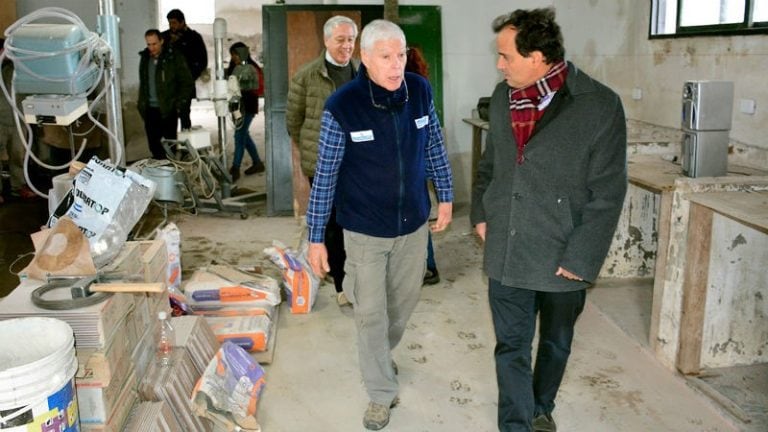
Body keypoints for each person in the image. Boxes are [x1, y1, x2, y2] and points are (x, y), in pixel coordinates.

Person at [470, 8, 627, 432]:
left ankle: (540, 406)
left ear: (538, 57)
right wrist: (482, 213)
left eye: (506, 56)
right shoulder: (503, 97)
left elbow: (608, 192)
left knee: (555, 343)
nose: (499, 65)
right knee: (512, 345)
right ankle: (517, 423)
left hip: (563, 251)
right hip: (508, 243)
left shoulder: (599, 105)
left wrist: (582, 256)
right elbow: (492, 163)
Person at [306, 19, 453, 430]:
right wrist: (316, 237)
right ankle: (380, 392)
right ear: (364, 58)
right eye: (385, 56)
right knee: (370, 313)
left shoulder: (420, 92)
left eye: (400, 55)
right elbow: (326, 175)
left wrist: (446, 196)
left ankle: (378, 354)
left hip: (412, 227)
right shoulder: (342, 106)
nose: (395, 65)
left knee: (401, 305)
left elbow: (435, 145)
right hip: (364, 231)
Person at [286, 15, 359, 306]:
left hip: (356, 164)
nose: (346, 46)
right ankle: (342, 284)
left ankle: (354, 276)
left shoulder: (361, 75)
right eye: (340, 40)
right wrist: (314, 148)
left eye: (351, 40)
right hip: (322, 163)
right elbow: (294, 120)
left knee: (354, 221)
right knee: (330, 223)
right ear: (327, 41)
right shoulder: (307, 75)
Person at [405, 45, 440, 286]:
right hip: (419, 161)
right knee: (418, 213)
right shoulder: (422, 83)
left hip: (411, 162)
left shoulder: (407, 88)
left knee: (415, 217)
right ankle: (428, 266)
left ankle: (426, 267)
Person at [137, 29, 194, 160]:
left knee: (170, 146)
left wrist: (179, 103)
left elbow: (187, 82)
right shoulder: (145, 58)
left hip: (168, 109)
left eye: (154, 44)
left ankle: (170, 172)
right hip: (150, 110)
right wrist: (141, 105)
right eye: (148, 44)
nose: (151, 48)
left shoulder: (173, 57)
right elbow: (144, 84)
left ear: (162, 41)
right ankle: (160, 174)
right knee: (154, 146)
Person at [162, 9, 207, 130]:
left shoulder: (194, 38)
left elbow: (202, 61)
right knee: (168, 115)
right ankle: (171, 145)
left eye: (174, 23)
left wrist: (189, 78)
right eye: (170, 23)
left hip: (185, 85)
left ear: (182, 22)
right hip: (167, 85)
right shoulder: (164, 37)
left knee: (184, 113)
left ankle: (185, 144)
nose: (172, 26)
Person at [227, 42, 265, 181]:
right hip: (238, 107)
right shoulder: (236, 68)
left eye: (235, 55)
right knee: (243, 135)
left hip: (248, 107)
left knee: (239, 135)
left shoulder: (252, 68)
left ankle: (235, 168)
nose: (234, 58)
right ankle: (257, 163)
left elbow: (258, 88)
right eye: (232, 55)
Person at [0, 38, 27, 203]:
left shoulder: (17, 69)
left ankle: (19, 186)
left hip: (18, 119)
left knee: (18, 155)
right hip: (1, 121)